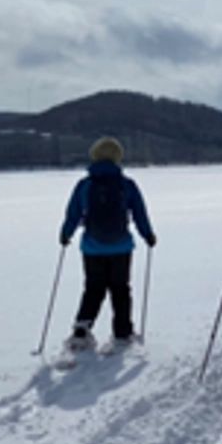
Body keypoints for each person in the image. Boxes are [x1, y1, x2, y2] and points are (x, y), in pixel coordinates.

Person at [60, 137, 159, 349]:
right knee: (120, 290)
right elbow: (140, 213)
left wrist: (65, 234)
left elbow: (73, 214)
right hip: (121, 247)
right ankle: (123, 333)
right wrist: (148, 235)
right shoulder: (127, 185)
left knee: (93, 289)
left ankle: (81, 331)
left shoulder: (85, 185)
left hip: (92, 248)